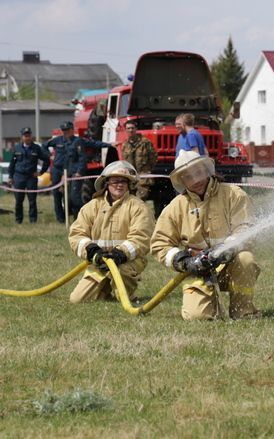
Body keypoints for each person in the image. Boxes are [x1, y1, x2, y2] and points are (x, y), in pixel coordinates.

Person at [151, 150, 260, 321]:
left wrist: (227, 249)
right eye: (188, 177)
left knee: (245, 258)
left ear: (207, 170)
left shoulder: (233, 194)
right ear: (181, 181)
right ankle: (209, 302)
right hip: (198, 269)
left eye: (198, 172)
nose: (195, 180)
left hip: (229, 266)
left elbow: (246, 229)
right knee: (196, 316)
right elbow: (159, 243)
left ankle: (242, 310)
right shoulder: (176, 207)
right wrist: (184, 261)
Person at [68, 161, 154, 303]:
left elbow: (142, 238)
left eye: (123, 181)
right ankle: (105, 289)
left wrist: (121, 254)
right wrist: (91, 250)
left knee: (123, 297)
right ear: (106, 183)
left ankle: (127, 294)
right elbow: (77, 234)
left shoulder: (138, 207)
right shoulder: (93, 206)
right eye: (115, 181)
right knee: (77, 299)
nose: (119, 185)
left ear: (129, 185)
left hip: (127, 262)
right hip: (99, 262)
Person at [42, 121, 115, 222]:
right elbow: (44, 146)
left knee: (74, 197)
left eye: (67, 130)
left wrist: (109, 145)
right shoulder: (57, 140)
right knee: (57, 195)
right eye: (63, 131)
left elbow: (94, 144)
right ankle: (60, 219)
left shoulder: (78, 141)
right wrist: (49, 156)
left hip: (72, 172)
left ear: (72, 130)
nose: (65, 132)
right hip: (57, 171)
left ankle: (79, 217)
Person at [7, 127, 51, 224]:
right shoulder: (17, 148)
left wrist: (41, 172)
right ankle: (18, 220)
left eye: (29, 135)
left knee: (32, 200)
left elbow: (46, 160)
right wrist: (10, 176)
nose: (27, 138)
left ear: (31, 136)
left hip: (31, 177)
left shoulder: (36, 148)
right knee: (19, 200)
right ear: (22, 137)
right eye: (25, 136)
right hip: (19, 177)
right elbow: (12, 164)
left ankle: (33, 221)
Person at [121, 120, 158, 200]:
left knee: (140, 199)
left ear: (136, 129)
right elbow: (124, 161)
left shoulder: (145, 142)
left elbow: (153, 157)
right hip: (130, 178)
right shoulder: (124, 145)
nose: (130, 130)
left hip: (143, 177)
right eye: (128, 128)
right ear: (125, 130)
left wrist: (148, 170)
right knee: (130, 200)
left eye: (132, 128)